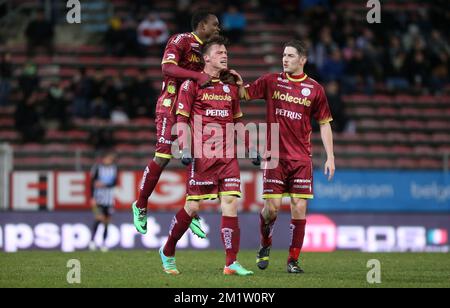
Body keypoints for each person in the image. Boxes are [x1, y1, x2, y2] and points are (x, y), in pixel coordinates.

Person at [234, 40, 335, 273]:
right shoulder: (271, 81)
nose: (285, 59)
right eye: (283, 55)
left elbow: (325, 124)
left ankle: (293, 260)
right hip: (274, 157)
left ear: (302, 60)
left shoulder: (315, 89)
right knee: (272, 209)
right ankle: (265, 243)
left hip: (301, 158)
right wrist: (237, 84)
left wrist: (330, 156)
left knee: (299, 206)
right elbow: (244, 94)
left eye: (290, 55)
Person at [158, 36, 253, 276]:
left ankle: (231, 262)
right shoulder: (191, 85)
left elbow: (237, 121)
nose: (225, 55)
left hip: (227, 156)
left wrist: (251, 147)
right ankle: (167, 250)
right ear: (206, 57)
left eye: (226, 53)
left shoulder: (230, 87)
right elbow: (181, 119)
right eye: (220, 52)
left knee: (230, 202)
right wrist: (185, 146)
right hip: (202, 155)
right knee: (192, 206)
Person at [132, 12, 220, 238]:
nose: (218, 28)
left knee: (195, 157)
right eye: (215, 24)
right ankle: (140, 205)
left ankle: (191, 213)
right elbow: (167, 69)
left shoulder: (209, 52)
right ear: (202, 25)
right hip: (170, 106)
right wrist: (198, 77)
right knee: (162, 157)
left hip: (192, 108)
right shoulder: (181, 40)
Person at [89, 152, 118, 252]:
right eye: (108, 158)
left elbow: (115, 182)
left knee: (106, 222)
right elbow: (92, 183)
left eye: (111, 159)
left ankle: (104, 243)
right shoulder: (97, 168)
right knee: (98, 218)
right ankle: (92, 241)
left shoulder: (114, 168)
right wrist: (92, 197)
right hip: (98, 198)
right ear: (104, 159)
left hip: (109, 199)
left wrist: (103, 184)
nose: (109, 161)